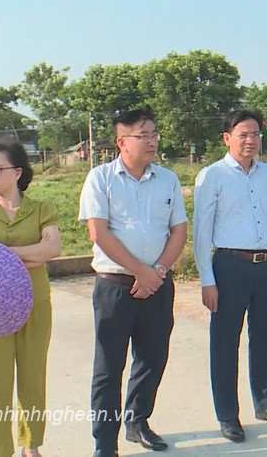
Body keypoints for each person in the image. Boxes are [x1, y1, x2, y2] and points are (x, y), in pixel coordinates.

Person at [78, 107, 188, 457]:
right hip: (115, 286)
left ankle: (138, 421)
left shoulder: (168, 179)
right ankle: (104, 442)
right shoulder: (100, 178)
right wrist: (140, 271)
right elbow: (99, 232)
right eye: (143, 135)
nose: (152, 141)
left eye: (154, 134)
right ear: (121, 141)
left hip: (157, 285)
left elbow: (179, 231)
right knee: (108, 367)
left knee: (152, 358)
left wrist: (157, 272)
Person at [194, 109, 267, 443]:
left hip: (264, 265)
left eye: (255, 134)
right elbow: (201, 232)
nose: (250, 140)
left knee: (266, 337)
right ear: (227, 138)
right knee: (225, 342)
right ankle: (228, 415)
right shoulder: (212, 176)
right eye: (243, 135)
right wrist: (207, 280)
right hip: (229, 266)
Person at [0, 140, 62, 457]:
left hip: (36, 303)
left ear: (18, 172)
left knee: (33, 376)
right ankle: (1, 450)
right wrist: (30, 255)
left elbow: (53, 249)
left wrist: (3, 254)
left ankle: (31, 445)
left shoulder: (42, 208)